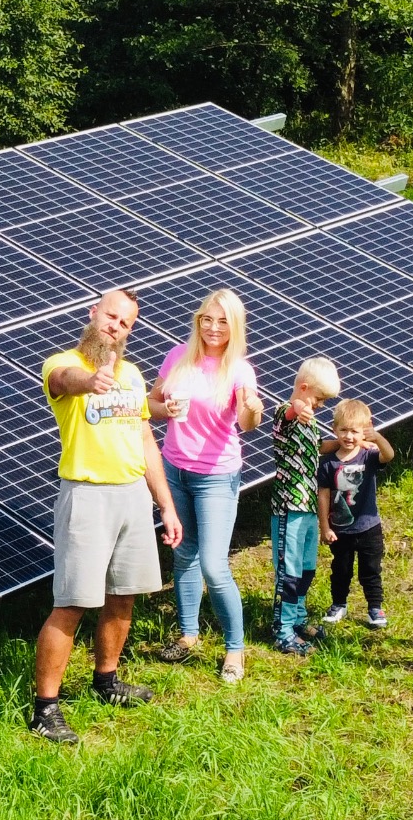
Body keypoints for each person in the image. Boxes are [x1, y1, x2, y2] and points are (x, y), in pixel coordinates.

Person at [30, 289, 184, 743]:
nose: (115, 326)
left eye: (125, 323)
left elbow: (143, 439)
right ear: (93, 313)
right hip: (87, 496)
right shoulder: (62, 363)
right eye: (110, 316)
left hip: (133, 495)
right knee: (73, 602)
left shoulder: (133, 375)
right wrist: (90, 381)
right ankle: (45, 710)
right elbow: (64, 379)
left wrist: (166, 505)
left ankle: (106, 680)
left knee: (124, 596)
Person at [149, 289, 262, 682]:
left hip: (216, 477)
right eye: (207, 319)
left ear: (235, 327)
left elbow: (248, 424)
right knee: (184, 554)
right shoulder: (177, 356)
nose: (213, 328)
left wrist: (251, 408)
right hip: (174, 469)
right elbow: (150, 404)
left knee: (214, 565)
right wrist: (165, 409)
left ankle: (235, 649)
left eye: (223, 321)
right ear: (198, 321)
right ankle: (188, 635)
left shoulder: (240, 370)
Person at [271, 356, 340, 655]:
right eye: (319, 398)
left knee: (307, 568)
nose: (320, 405)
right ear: (303, 387)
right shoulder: (285, 415)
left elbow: (319, 447)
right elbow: (290, 411)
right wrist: (299, 407)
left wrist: (344, 442)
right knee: (289, 571)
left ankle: (297, 618)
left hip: (310, 505)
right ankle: (282, 630)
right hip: (289, 506)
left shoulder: (310, 425)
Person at [318, 399, 395, 629]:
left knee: (371, 570)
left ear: (364, 431)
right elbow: (322, 495)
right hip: (340, 527)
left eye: (355, 431)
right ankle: (338, 604)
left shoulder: (368, 456)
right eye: (343, 430)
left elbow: (389, 455)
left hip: (369, 526)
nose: (349, 436)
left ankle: (375, 607)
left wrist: (376, 437)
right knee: (340, 569)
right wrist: (325, 527)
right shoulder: (328, 463)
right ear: (334, 430)